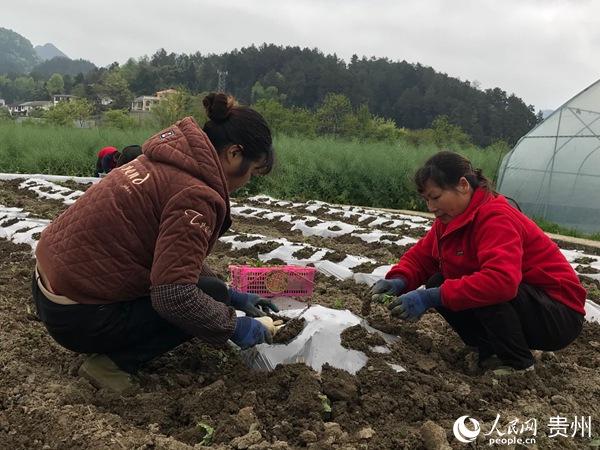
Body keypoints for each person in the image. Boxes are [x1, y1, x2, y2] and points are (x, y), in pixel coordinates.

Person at [33, 93, 280, 393]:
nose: (246, 183)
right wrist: (234, 326)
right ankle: (110, 365)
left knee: (213, 292)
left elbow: (173, 254)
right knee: (198, 298)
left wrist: (234, 296)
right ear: (234, 154)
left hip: (51, 294)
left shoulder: (161, 162)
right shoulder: (195, 193)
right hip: (79, 317)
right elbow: (174, 295)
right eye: (252, 172)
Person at [371, 151, 586, 375]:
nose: (431, 207)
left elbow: (501, 282)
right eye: (426, 200)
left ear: (463, 185)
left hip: (559, 314)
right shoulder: (450, 220)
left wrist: (431, 296)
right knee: (439, 280)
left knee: (483, 288)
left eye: (435, 197)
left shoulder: (495, 217)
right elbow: (423, 257)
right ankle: (489, 350)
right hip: (530, 303)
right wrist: (399, 279)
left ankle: (517, 363)